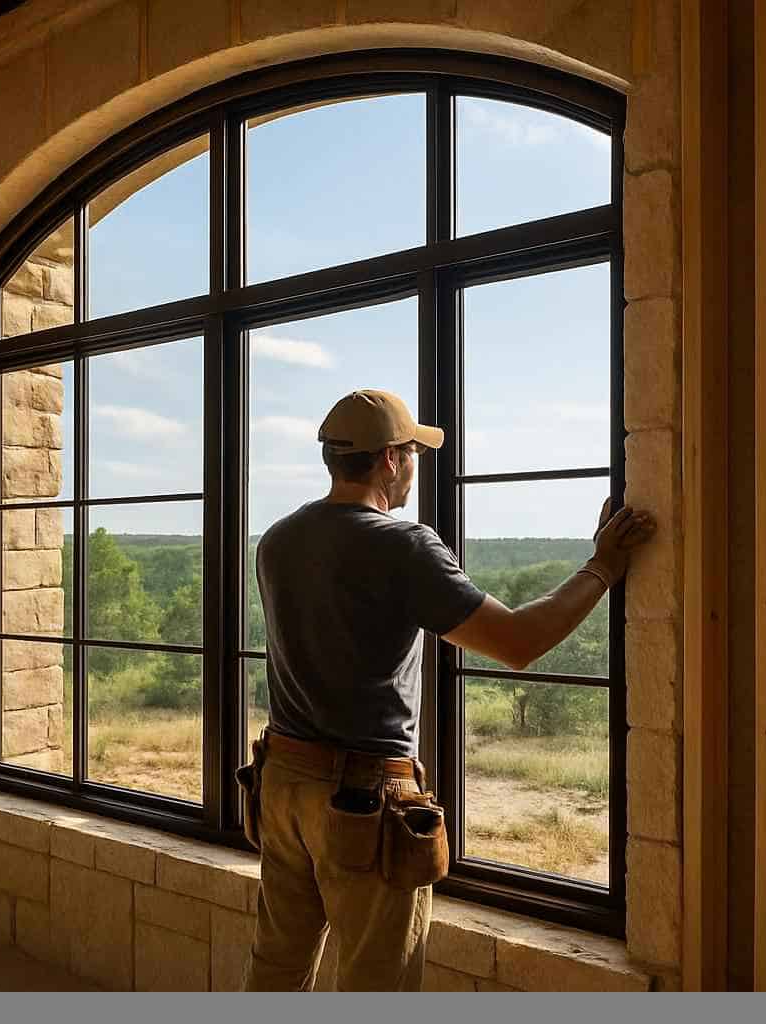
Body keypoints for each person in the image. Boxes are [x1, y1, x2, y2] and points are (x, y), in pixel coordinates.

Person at [241, 388, 656, 992]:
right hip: (361, 802)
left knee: (276, 971)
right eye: (413, 452)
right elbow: (517, 641)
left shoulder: (278, 540)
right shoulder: (402, 545)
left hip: (281, 784)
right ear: (390, 460)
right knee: (376, 986)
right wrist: (603, 567)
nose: (416, 465)